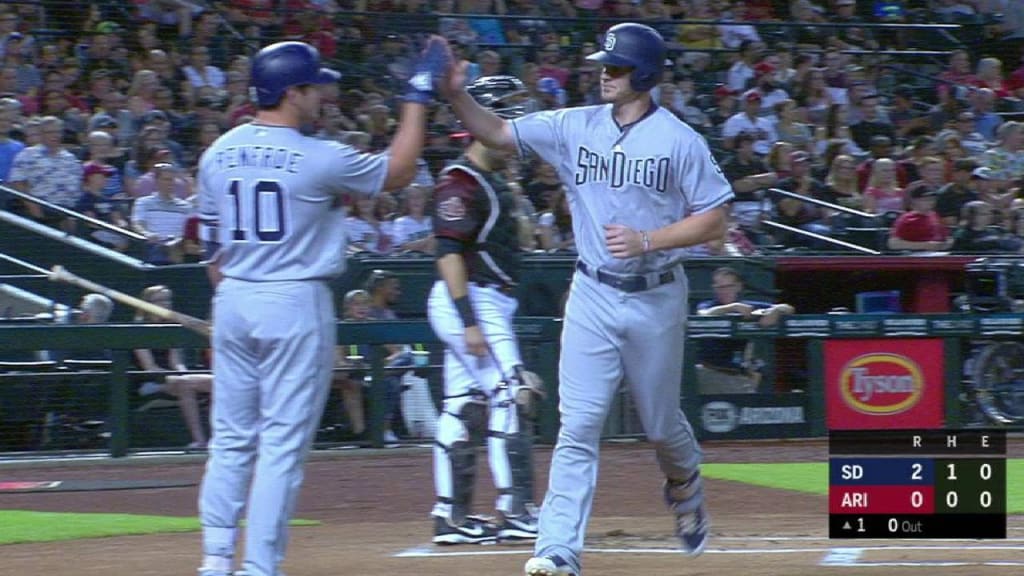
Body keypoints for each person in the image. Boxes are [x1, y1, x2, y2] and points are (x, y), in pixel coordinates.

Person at [440, 23, 732, 576]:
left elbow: (716, 218)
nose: (604, 72)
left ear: (644, 73)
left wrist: (651, 239)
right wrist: (455, 95)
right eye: (603, 63)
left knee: (662, 426)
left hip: (656, 297)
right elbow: (500, 134)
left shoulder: (678, 139)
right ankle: (557, 550)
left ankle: (685, 484)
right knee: (578, 425)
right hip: (592, 292)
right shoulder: (573, 125)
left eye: (616, 66)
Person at [195, 39, 449, 576]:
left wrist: (231, 306)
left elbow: (212, 259)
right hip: (292, 299)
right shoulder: (318, 155)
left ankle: (216, 562)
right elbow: (400, 171)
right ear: (292, 92)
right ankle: (260, 567)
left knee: (232, 441)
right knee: (281, 446)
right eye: (315, 87)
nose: (323, 96)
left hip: (234, 296)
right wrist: (416, 97)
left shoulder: (216, 152)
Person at [426, 75, 545, 546]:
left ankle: (451, 517)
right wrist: (470, 322)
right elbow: (447, 252)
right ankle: (515, 509)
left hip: (483, 298)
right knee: (513, 392)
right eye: (510, 120)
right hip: (471, 298)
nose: (517, 133)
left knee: (463, 403)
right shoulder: (460, 181)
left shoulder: (492, 180)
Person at [695, 267, 794, 394]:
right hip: (710, 370)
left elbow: (788, 308)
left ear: (738, 287)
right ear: (714, 288)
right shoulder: (709, 305)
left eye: (729, 286)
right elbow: (703, 314)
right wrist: (732, 308)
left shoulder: (748, 305)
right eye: (720, 287)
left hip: (738, 373)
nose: (725, 291)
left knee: (757, 368)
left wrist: (777, 311)